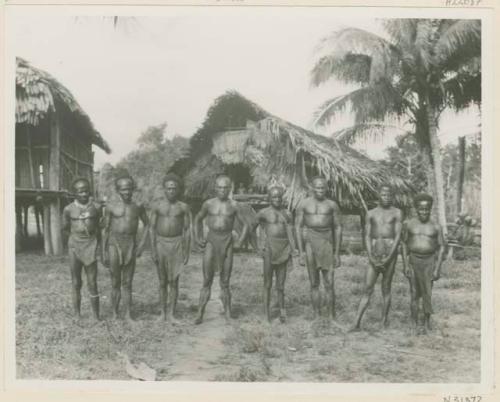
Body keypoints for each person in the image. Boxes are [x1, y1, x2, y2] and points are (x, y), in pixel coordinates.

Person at [194, 175, 248, 324]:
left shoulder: (234, 205)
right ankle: (200, 313)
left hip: (227, 241)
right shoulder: (208, 204)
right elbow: (197, 219)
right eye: (219, 187)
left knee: (225, 281)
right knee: (207, 279)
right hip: (212, 240)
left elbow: (246, 225)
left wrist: (240, 242)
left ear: (230, 188)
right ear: (215, 188)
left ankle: (228, 314)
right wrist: (197, 237)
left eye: (225, 187)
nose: (222, 190)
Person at [351, 185, 403, 331]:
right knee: (367, 288)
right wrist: (371, 256)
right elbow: (367, 236)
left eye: (388, 194)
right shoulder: (371, 213)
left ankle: (383, 321)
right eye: (383, 194)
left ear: (392, 196)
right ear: (378, 195)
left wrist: (389, 258)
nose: (386, 197)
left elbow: (397, 237)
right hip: (374, 254)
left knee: (386, 288)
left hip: (390, 255)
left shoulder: (397, 213)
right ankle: (356, 323)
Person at [102, 176, 149, 322]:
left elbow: (147, 224)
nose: (126, 192)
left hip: (130, 244)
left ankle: (128, 314)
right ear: (117, 190)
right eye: (123, 189)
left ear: (133, 189)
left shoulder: (138, 207)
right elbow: (105, 229)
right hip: (114, 244)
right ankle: (115, 314)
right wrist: (103, 251)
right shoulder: (110, 207)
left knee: (127, 282)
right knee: (115, 281)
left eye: (129, 188)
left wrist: (141, 245)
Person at [295, 177, 342, 320]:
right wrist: (301, 252)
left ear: (326, 188)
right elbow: (297, 227)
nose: (320, 190)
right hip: (310, 242)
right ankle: (316, 315)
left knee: (329, 282)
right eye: (317, 187)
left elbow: (338, 227)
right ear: (312, 188)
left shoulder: (332, 205)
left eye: (323, 187)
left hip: (327, 242)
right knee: (314, 282)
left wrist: (337, 253)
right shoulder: (303, 204)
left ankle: (331, 316)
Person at [149, 174, 192, 323]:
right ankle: (162, 313)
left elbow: (187, 230)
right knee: (162, 281)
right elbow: (151, 228)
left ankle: (172, 313)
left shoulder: (183, 207)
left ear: (178, 190)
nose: (171, 191)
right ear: (164, 190)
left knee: (174, 281)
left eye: (174, 188)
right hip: (161, 243)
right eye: (168, 188)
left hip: (177, 244)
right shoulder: (157, 206)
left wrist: (186, 251)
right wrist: (153, 249)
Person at [251, 186, 297, 323]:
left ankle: (282, 313)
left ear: (282, 198)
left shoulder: (288, 214)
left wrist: (294, 250)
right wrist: (257, 248)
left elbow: (291, 233)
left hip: (284, 249)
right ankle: (267, 314)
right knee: (267, 283)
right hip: (269, 249)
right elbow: (251, 229)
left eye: (279, 197)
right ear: (269, 198)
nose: (277, 199)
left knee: (281, 285)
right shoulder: (263, 213)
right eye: (274, 197)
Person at [401, 193, 445, 334]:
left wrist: (437, 268)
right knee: (414, 293)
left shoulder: (436, 226)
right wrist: (405, 265)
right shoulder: (409, 224)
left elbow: (442, 246)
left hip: (429, 262)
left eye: (427, 209)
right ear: (416, 209)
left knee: (427, 292)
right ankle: (414, 323)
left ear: (430, 209)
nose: (424, 212)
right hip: (414, 260)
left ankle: (426, 323)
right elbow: (403, 244)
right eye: (421, 209)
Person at [62, 178, 102, 322]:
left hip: (91, 245)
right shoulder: (68, 209)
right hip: (74, 247)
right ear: (75, 193)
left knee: (92, 281)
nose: (84, 194)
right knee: (76, 282)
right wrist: (75, 239)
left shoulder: (96, 208)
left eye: (86, 190)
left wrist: (98, 245)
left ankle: (96, 316)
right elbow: (65, 228)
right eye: (80, 191)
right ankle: (77, 315)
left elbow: (99, 228)